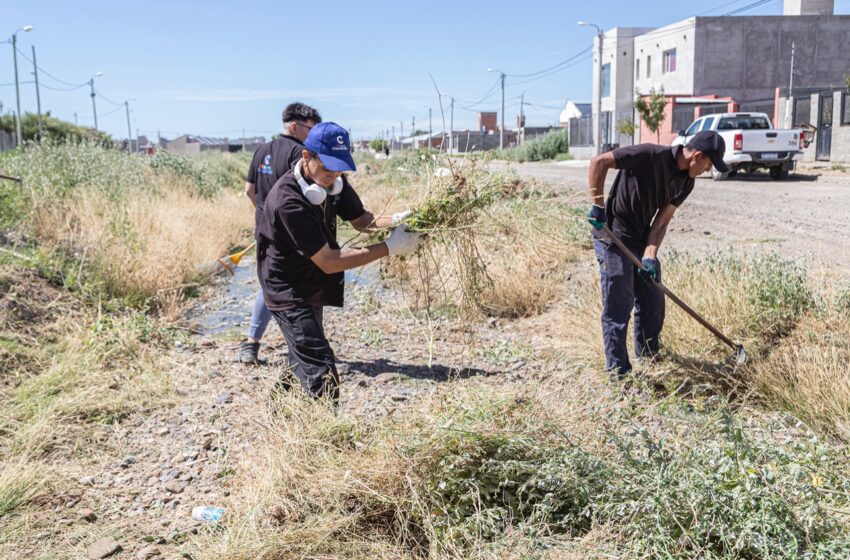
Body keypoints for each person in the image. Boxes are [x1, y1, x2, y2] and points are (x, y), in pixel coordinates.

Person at [256, 122, 419, 400]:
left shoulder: (335, 184)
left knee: (303, 355)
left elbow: (363, 221)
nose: (333, 176)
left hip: (310, 281)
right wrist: (389, 247)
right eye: (327, 169)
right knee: (320, 367)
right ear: (307, 157)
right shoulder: (288, 200)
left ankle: (279, 415)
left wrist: (397, 220)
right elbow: (329, 262)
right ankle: (323, 436)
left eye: (339, 169)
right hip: (286, 288)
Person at [586, 130, 727, 379]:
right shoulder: (649, 155)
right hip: (613, 235)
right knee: (619, 303)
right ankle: (618, 372)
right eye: (708, 164)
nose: (707, 170)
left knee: (653, 300)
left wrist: (650, 256)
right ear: (698, 155)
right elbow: (599, 162)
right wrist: (598, 206)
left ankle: (648, 358)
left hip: (640, 240)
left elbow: (660, 223)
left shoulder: (686, 182)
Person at [238, 102, 321, 365]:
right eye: (311, 129)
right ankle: (305, 347)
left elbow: (249, 190)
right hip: (291, 234)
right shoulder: (300, 153)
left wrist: (264, 218)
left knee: (269, 283)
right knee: (294, 286)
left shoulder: (261, 150)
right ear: (295, 126)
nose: (313, 136)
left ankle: (251, 343)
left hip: (264, 230)